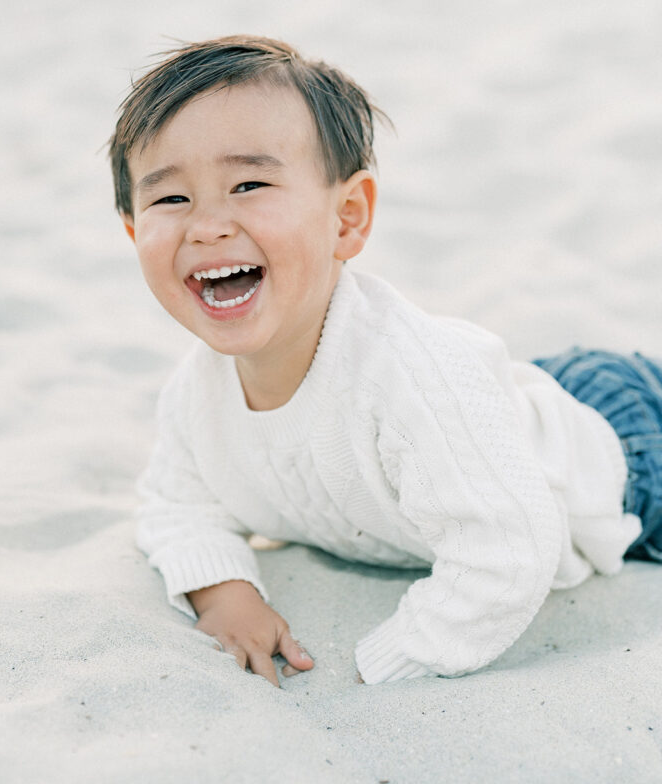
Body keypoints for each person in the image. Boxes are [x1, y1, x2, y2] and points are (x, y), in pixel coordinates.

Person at [108, 35, 661, 687]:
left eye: (248, 184)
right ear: (132, 229)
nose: (207, 225)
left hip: (621, 452)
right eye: (170, 199)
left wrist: (393, 659)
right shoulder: (194, 398)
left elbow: (508, 550)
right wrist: (225, 591)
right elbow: (175, 505)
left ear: (347, 217)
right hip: (507, 404)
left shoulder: (404, 383)